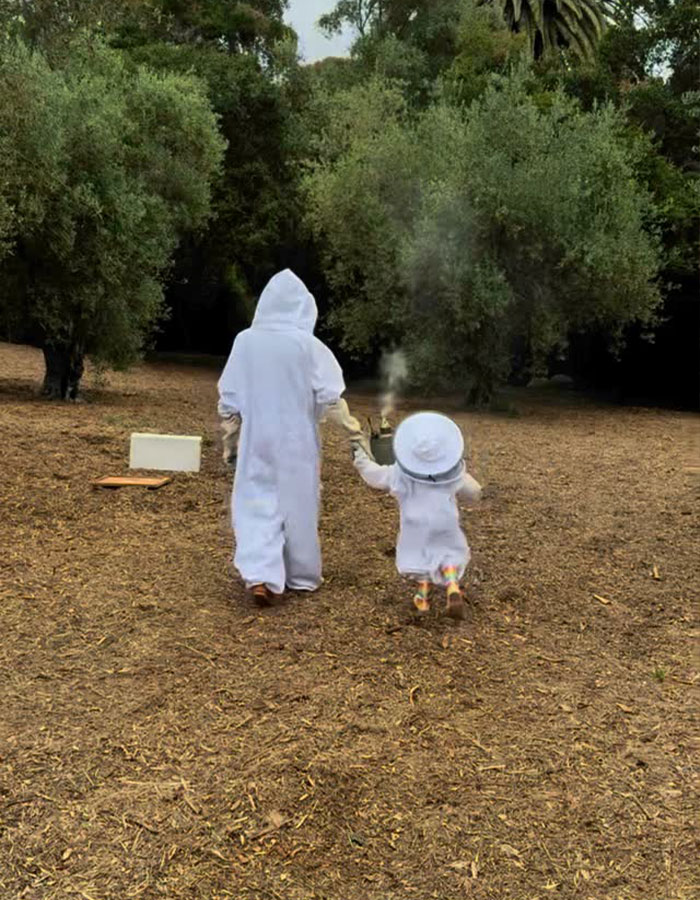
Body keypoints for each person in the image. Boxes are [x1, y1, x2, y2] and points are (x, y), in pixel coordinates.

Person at [217, 269, 368, 605]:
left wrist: (230, 444)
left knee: (256, 502)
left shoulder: (245, 342)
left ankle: (262, 577)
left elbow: (229, 401)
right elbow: (331, 398)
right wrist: (355, 435)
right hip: (298, 440)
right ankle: (300, 576)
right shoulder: (308, 346)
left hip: (257, 439)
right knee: (298, 504)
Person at [352, 411, 481, 619]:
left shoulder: (399, 474)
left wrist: (359, 457)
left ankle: (422, 600)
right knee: (447, 553)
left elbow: (374, 477)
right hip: (445, 521)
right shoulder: (451, 472)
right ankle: (452, 587)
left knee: (421, 558)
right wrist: (475, 493)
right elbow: (474, 491)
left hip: (415, 524)